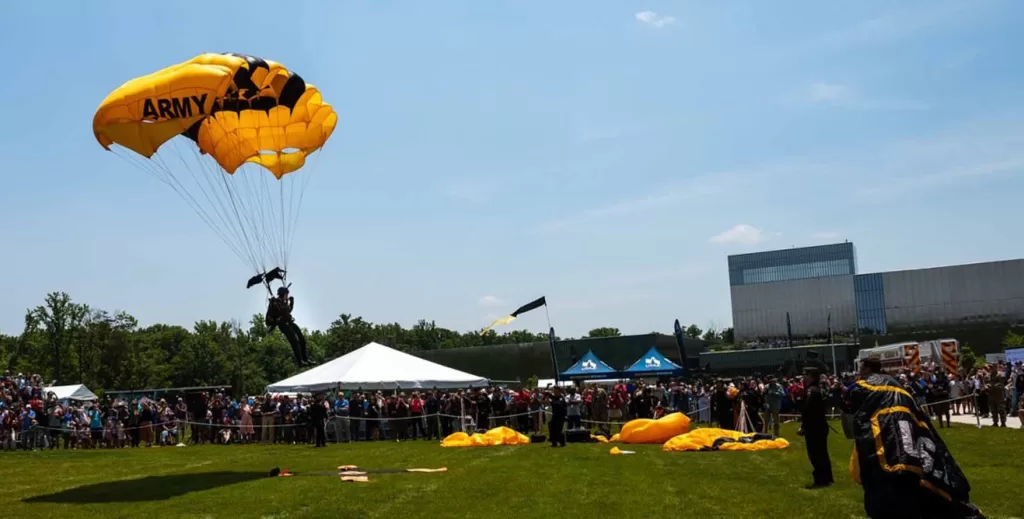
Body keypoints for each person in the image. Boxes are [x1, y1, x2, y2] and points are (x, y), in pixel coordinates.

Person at [849, 358, 985, 519]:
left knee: (889, 492)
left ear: (867, 370)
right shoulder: (897, 385)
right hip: (910, 439)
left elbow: (849, 399)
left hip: (888, 443)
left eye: (861, 369)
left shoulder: (866, 386)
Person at [798, 367, 833, 488]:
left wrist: (803, 427)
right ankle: (827, 477)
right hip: (820, 426)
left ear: (810, 376)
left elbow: (808, 411)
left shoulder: (811, 391)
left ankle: (821, 479)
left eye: (805, 375)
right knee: (822, 453)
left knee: (815, 454)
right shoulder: (817, 389)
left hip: (814, 427)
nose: (803, 378)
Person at [266, 286, 310, 367]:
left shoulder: (282, 302)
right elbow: (280, 313)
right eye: (286, 294)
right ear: (283, 294)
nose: (287, 295)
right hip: (283, 325)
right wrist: (285, 304)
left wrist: (291, 303)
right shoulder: (276, 302)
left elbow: (287, 311)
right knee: (294, 341)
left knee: (302, 339)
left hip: (289, 323)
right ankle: (300, 362)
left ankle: (306, 359)